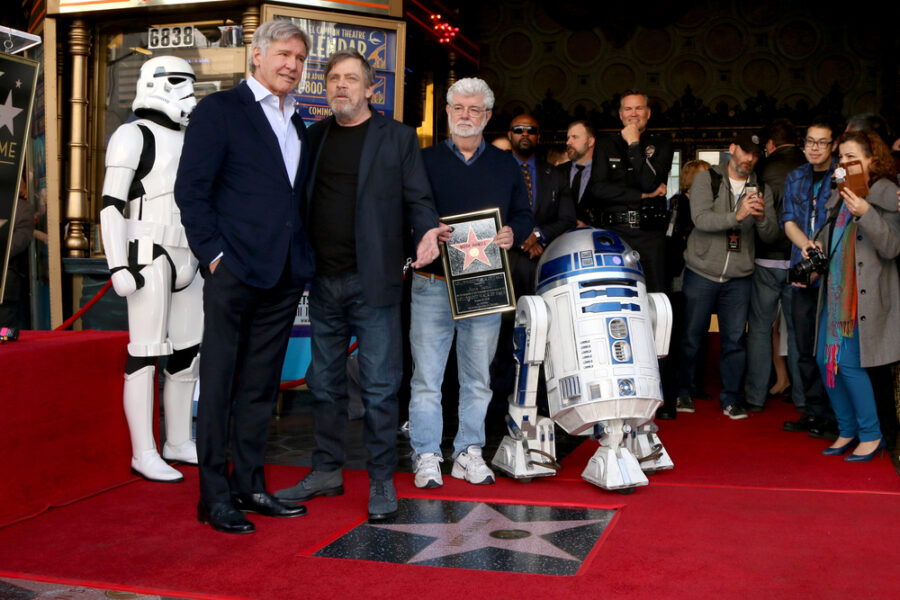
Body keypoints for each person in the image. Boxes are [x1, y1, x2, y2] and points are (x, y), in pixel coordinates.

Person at [273, 49, 446, 522]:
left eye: (351, 79)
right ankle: (327, 470)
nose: (340, 87)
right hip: (323, 282)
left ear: (371, 89)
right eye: (333, 79)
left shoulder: (398, 138)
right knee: (324, 384)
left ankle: (381, 480)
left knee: (378, 387)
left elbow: (419, 199)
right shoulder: (314, 136)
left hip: (375, 283)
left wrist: (427, 231)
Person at [175, 20, 314, 534]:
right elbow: (192, 190)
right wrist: (213, 257)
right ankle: (213, 497)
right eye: (283, 54)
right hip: (233, 271)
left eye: (299, 58)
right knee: (218, 384)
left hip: (283, 274)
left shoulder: (298, 122)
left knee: (259, 386)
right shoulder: (219, 111)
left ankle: (250, 484)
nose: (291, 66)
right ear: (256, 56)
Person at [408, 77, 533, 489]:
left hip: (483, 283)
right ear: (446, 112)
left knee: (477, 377)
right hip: (431, 283)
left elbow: (524, 213)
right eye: (458, 108)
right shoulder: (422, 161)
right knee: (427, 377)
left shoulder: (504, 165)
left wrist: (514, 231)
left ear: (487, 116)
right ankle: (426, 454)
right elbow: (404, 210)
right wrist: (426, 229)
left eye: (474, 109)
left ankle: (468, 452)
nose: (466, 116)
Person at [98, 56, 202, 485]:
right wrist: (117, 263)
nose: (186, 90)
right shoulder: (132, 134)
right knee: (144, 351)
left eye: (191, 82)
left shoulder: (192, 138)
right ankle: (144, 450)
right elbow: (110, 204)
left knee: (187, 352)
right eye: (178, 81)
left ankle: (178, 439)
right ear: (154, 83)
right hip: (147, 250)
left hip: (189, 254)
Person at [676, 132, 779, 419]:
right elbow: (701, 219)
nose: (749, 159)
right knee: (691, 337)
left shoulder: (761, 189)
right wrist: (739, 215)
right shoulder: (707, 179)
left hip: (739, 277)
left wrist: (760, 219)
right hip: (701, 271)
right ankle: (683, 391)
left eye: (755, 155)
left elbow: (770, 235)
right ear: (732, 149)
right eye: (745, 152)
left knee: (734, 340)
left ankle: (731, 398)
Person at [814, 130, 900, 461]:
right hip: (835, 291)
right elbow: (831, 235)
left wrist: (866, 211)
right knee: (826, 363)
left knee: (848, 364)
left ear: (872, 159)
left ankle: (871, 434)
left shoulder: (886, 192)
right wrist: (817, 244)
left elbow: (892, 246)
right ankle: (846, 429)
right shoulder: (839, 193)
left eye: (853, 157)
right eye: (842, 159)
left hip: (864, 297)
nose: (846, 164)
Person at [780, 118, 840, 440]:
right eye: (810, 141)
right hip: (803, 268)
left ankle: (836, 415)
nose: (815, 148)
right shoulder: (795, 177)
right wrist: (806, 246)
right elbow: (788, 220)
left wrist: (822, 250)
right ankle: (814, 411)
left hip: (835, 272)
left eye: (822, 142)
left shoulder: (843, 176)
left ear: (833, 146)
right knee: (803, 344)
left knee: (830, 347)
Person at [744, 119, 807, 412]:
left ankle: (755, 397)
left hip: (766, 258)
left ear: (769, 145)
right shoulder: (810, 167)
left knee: (759, 328)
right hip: (800, 259)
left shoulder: (762, 170)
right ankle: (802, 397)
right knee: (797, 330)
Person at [585, 90, 673, 293]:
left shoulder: (661, 144)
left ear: (648, 113)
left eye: (639, 108)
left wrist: (634, 144)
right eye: (628, 108)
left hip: (650, 235)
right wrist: (640, 195)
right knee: (617, 294)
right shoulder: (606, 145)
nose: (634, 113)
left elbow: (650, 183)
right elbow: (598, 189)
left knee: (655, 299)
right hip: (616, 233)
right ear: (621, 114)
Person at [506, 113, 576, 296]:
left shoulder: (555, 175)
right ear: (509, 135)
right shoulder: (493, 171)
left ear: (538, 137)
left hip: (541, 260)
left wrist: (536, 235)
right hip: (503, 261)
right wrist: (522, 237)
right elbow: (488, 212)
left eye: (531, 131)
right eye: (518, 130)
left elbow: (567, 219)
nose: (525, 134)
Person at [663, 159, 711, 414]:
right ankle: (684, 386)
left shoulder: (707, 203)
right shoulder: (679, 203)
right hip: (682, 273)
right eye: (705, 175)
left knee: (699, 331)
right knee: (686, 331)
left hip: (702, 272)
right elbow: (673, 241)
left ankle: (695, 384)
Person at [564, 120, 595, 226]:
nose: (568, 142)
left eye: (575, 137)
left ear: (590, 142)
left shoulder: (603, 171)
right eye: (568, 138)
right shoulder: (558, 171)